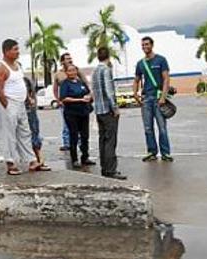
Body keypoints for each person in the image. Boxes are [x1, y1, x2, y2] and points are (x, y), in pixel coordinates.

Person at [0, 39, 49, 175]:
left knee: (25, 132)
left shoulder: (17, 65)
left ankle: (31, 159)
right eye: (15, 49)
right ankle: (10, 162)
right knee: (10, 134)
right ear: (7, 51)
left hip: (21, 103)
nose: (18, 52)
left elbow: (20, 83)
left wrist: (28, 97)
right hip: (9, 103)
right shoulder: (1, 67)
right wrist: (6, 105)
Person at [134, 36, 173, 162]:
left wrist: (163, 97)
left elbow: (166, 79)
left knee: (162, 127)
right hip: (146, 99)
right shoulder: (140, 64)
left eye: (147, 44)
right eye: (143, 45)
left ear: (152, 45)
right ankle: (151, 152)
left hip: (158, 98)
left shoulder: (161, 60)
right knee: (148, 128)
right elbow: (136, 79)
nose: (145, 47)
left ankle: (165, 153)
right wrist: (135, 93)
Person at [91, 47, 126, 180]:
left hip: (99, 110)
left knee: (102, 139)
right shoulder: (106, 70)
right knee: (111, 140)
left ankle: (104, 167)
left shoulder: (95, 71)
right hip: (107, 110)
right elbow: (109, 90)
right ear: (108, 56)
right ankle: (111, 169)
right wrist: (115, 107)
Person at [59, 63, 95, 169]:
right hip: (71, 113)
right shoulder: (65, 84)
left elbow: (89, 93)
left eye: (74, 70)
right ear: (66, 72)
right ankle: (74, 159)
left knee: (85, 136)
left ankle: (85, 157)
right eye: (69, 71)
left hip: (83, 112)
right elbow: (64, 98)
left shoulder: (81, 82)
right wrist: (79, 100)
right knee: (74, 136)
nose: (72, 72)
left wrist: (89, 97)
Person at [24, 76, 48, 169]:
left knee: (34, 133)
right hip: (27, 109)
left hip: (29, 109)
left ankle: (38, 159)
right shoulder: (22, 80)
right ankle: (37, 159)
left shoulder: (25, 80)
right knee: (32, 133)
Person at [52, 53, 75, 151]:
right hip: (65, 103)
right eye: (67, 59)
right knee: (66, 123)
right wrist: (58, 100)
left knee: (77, 124)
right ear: (62, 61)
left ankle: (77, 142)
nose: (70, 60)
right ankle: (67, 143)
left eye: (70, 58)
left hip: (76, 102)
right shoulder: (58, 74)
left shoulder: (75, 71)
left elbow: (84, 83)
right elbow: (55, 88)